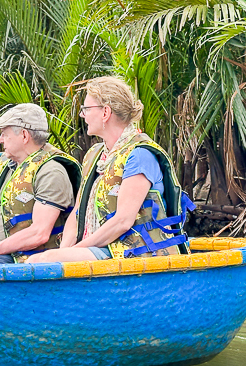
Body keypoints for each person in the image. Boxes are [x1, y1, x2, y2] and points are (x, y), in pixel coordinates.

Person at [28, 77, 193, 263]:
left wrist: (74, 251)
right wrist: (65, 251)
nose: (83, 115)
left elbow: (123, 221)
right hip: (103, 248)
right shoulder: (95, 155)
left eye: (86, 109)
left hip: (134, 252)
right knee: (45, 259)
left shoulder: (139, 155)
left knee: (41, 261)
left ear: (105, 112)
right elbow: (77, 213)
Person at [0, 103, 80, 265]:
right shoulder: (8, 165)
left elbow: (39, 233)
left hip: (22, 258)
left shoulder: (51, 172)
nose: (0, 140)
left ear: (24, 136)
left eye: (5, 134)